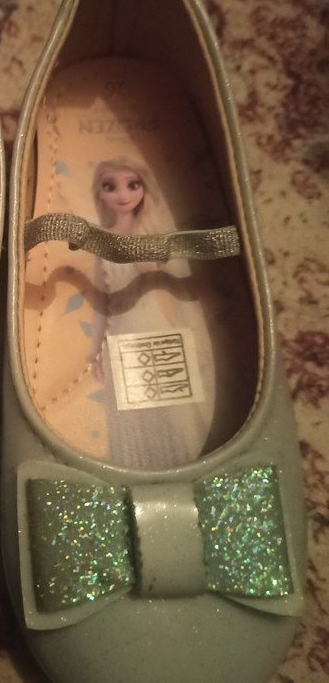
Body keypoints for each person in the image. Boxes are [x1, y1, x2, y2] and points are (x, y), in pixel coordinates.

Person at [87, 157, 214, 469]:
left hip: (157, 331)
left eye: (133, 185)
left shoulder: (157, 238)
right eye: (110, 186)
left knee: (175, 414)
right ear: (99, 193)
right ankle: (137, 471)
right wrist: (96, 351)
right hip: (120, 338)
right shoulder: (99, 243)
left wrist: (195, 341)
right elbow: (101, 304)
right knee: (133, 417)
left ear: (144, 189)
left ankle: (187, 466)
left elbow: (182, 293)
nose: (122, 194)